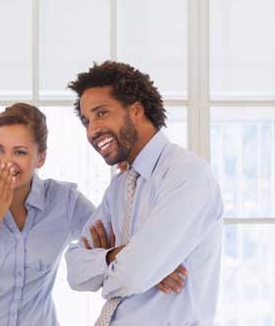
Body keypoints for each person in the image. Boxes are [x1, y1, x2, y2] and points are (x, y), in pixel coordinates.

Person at [65, 61, 223, 326]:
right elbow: (75, 271)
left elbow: (133, 275)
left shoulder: (186, 175)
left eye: (101, 113)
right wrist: (118, 255)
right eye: (86, 121)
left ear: (136, 111)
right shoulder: (119, 187)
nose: (92, 130)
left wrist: (128, 266)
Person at [0, 103, 95, 325]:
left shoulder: (65, 200)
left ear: (40, 158)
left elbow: (114, 234)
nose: (5, 162)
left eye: (20, 152)